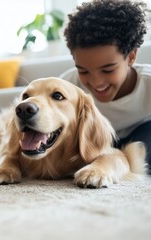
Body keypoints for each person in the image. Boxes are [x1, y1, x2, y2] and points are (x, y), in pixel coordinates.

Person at [60, 0, 151, 171]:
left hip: (141, 135)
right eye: (84, 71)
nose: (96, 82)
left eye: (108, 70)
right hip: (94, 138)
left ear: (131, 57)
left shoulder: (148, 82)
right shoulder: (67, 87)